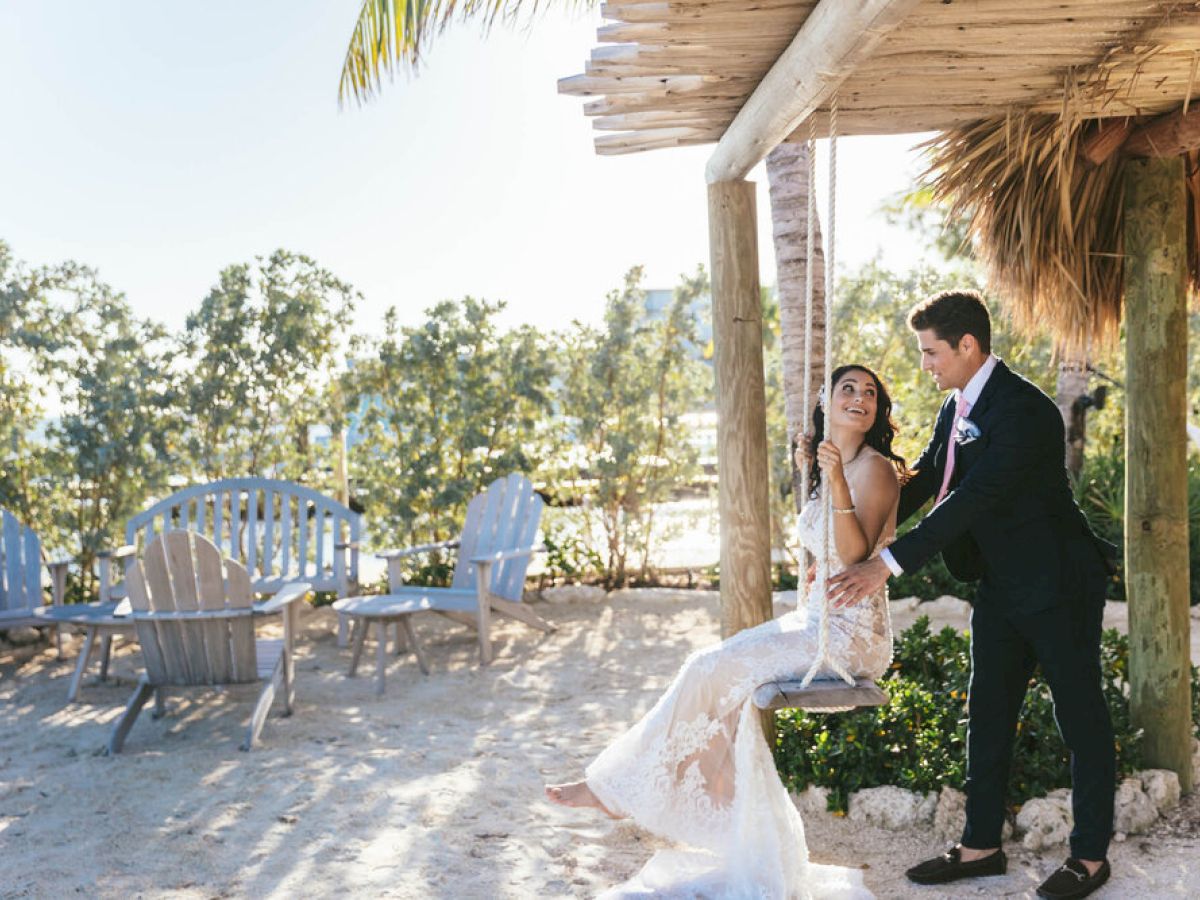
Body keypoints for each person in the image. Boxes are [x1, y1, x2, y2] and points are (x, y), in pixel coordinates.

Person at [545, 364, 906, 899]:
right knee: (706, 668)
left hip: (850, 635)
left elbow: (856, 553)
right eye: (847, 389)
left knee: (711, 670)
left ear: (877, 410)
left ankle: (615, 792)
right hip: (816, 618)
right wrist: (817, 558)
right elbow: (833, 548)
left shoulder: (873, 468)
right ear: (826, 403)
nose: (860, 398)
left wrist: (832, 480)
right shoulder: (835, 460)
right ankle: (640, 792)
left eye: (869, 393)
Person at [828, 290, 1116, 900]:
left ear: (967, 345)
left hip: (1059, 582)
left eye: (931, 353)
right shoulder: (956, 405)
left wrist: (887, 563)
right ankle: (981, 845)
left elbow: (973, 498)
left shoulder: (1027, 411)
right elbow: (931, 476)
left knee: (1080, 718)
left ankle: (1090, 857)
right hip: (1001, 584)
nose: (925, 365)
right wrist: (851, 528)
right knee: (986, 714)